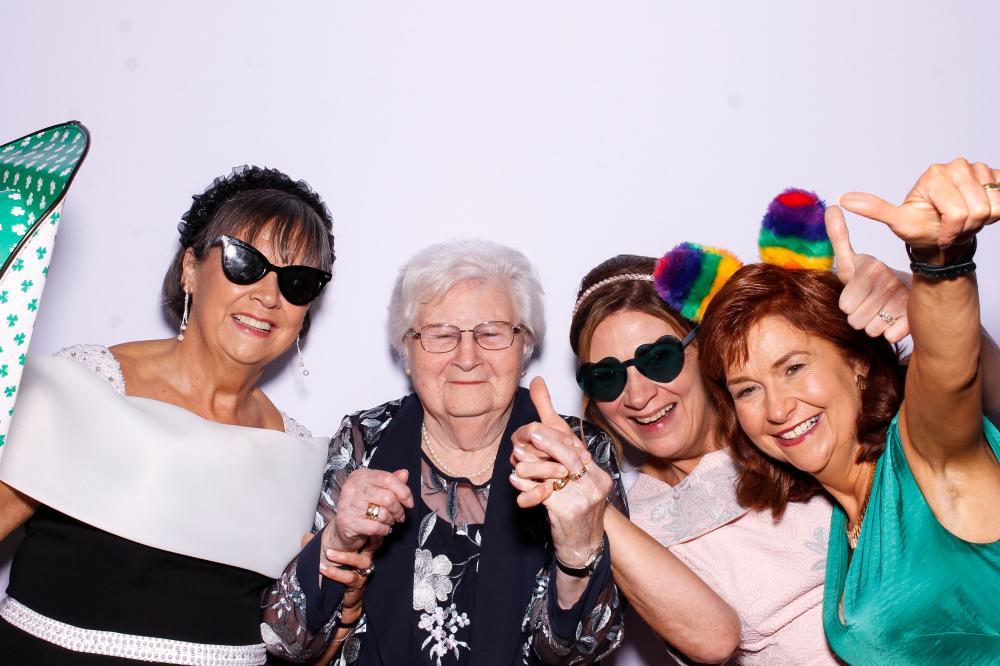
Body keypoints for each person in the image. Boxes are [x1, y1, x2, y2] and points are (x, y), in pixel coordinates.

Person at [510, 191, 924, 663]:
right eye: (607, 376)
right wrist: (589, 498)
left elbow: (968, 410)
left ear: (707, 350)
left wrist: (921, 297)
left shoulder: (792, 429)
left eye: (658, 359)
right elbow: (712, 639)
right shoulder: (629, 517)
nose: (639, 396)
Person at [0, 166, 334, 665]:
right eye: (245, 262)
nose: (268, 296)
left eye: (298, 281)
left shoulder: (303, 456)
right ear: (190, 269)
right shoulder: (84, 387)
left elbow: (299, 640)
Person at [263, 239, 626, 665]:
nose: (467, 357)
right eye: (441, 335)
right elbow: (286, 641)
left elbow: (579, 654)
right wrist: (338, 539)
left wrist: (576, 554)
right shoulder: (364, 440)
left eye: (491, 333)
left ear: (524, 346)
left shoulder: (578, 453)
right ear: (407, 350)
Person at [698, 159, 1000, 664]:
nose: (777, 408)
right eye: (747, 390)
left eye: (794, 367)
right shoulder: (845, 520)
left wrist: (938, 260)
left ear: (858, 362)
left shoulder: (921, 455)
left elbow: (950, 370)